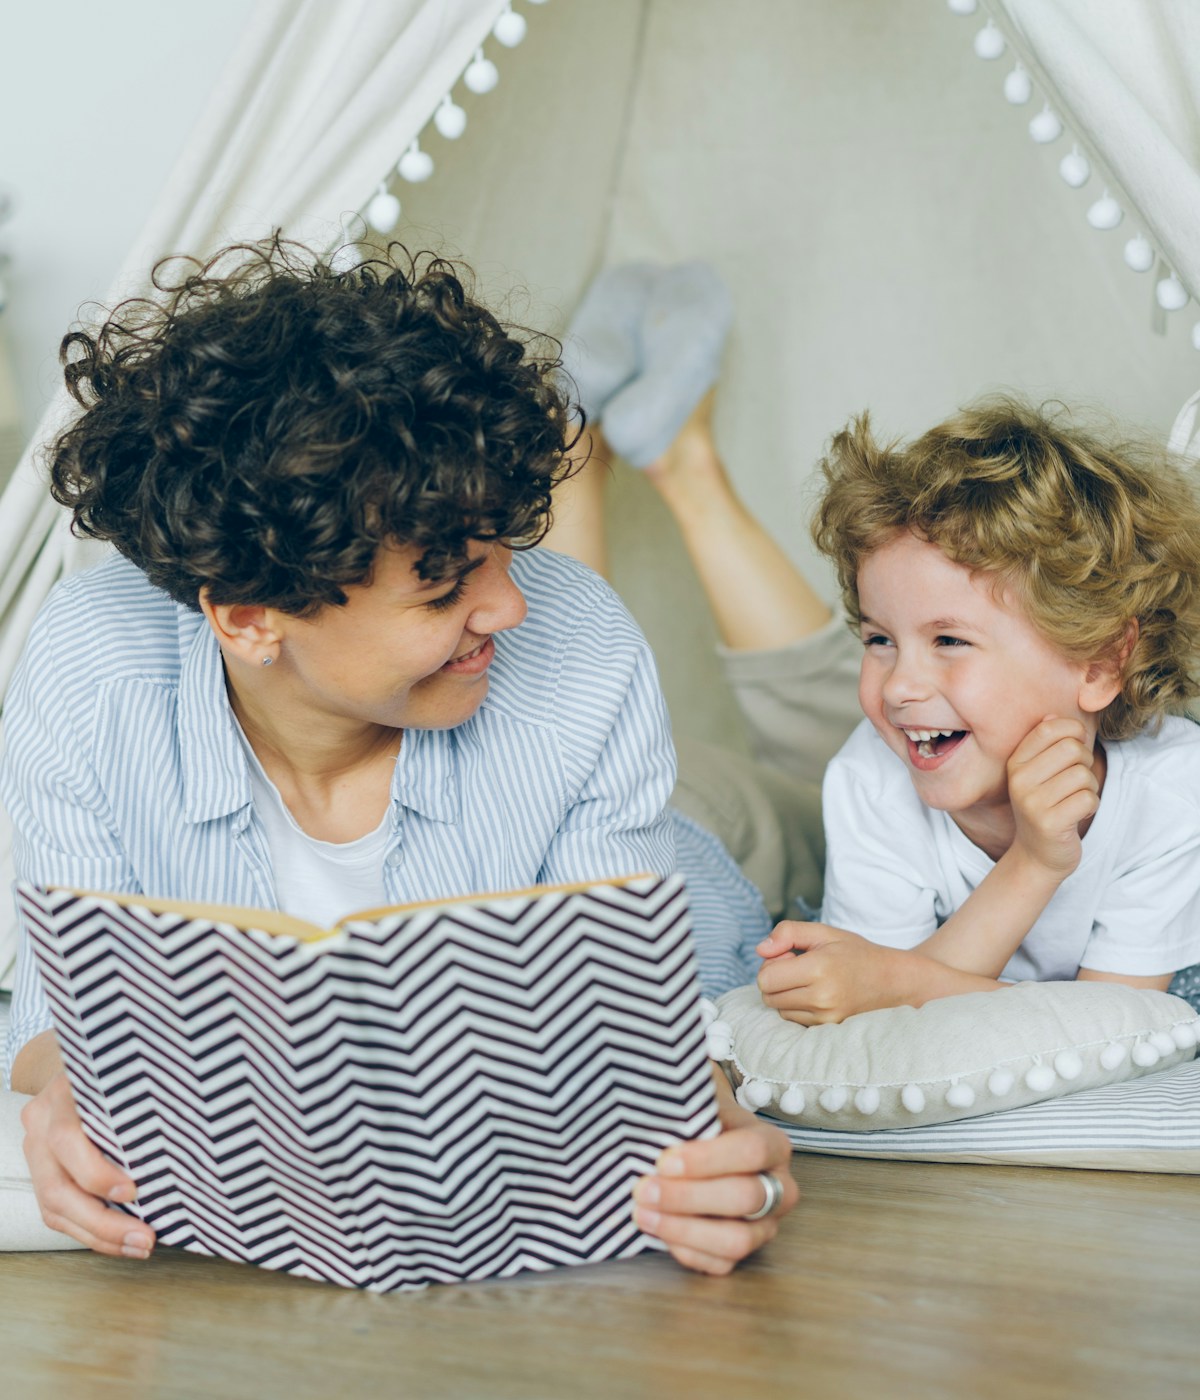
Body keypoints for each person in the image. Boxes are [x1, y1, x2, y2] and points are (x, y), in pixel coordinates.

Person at [0, 237, 797, 1273]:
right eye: (442, 583)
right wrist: (71, 1088)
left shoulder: (578, 646)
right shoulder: (88, 664)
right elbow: (59, 1025)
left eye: (508, 539)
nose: (507, 599)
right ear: (249, 618)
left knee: (793, 801)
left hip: (701, 841)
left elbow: (640, 1040)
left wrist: (724, 1144)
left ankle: (653, 456)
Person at [547, 265, 1200, 1026]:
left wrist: (1023, 868)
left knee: (831, 716)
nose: (897, 682)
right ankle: (612, 457)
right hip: (817, 800)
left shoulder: (1170, 785)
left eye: (950, 638)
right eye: (877, 639)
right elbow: (883, 1014)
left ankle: (639, 460)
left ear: (1101, 663)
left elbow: (1114, 1025)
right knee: (841, 719)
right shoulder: (871, 779)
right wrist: (1032, 864)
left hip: (895, 783)